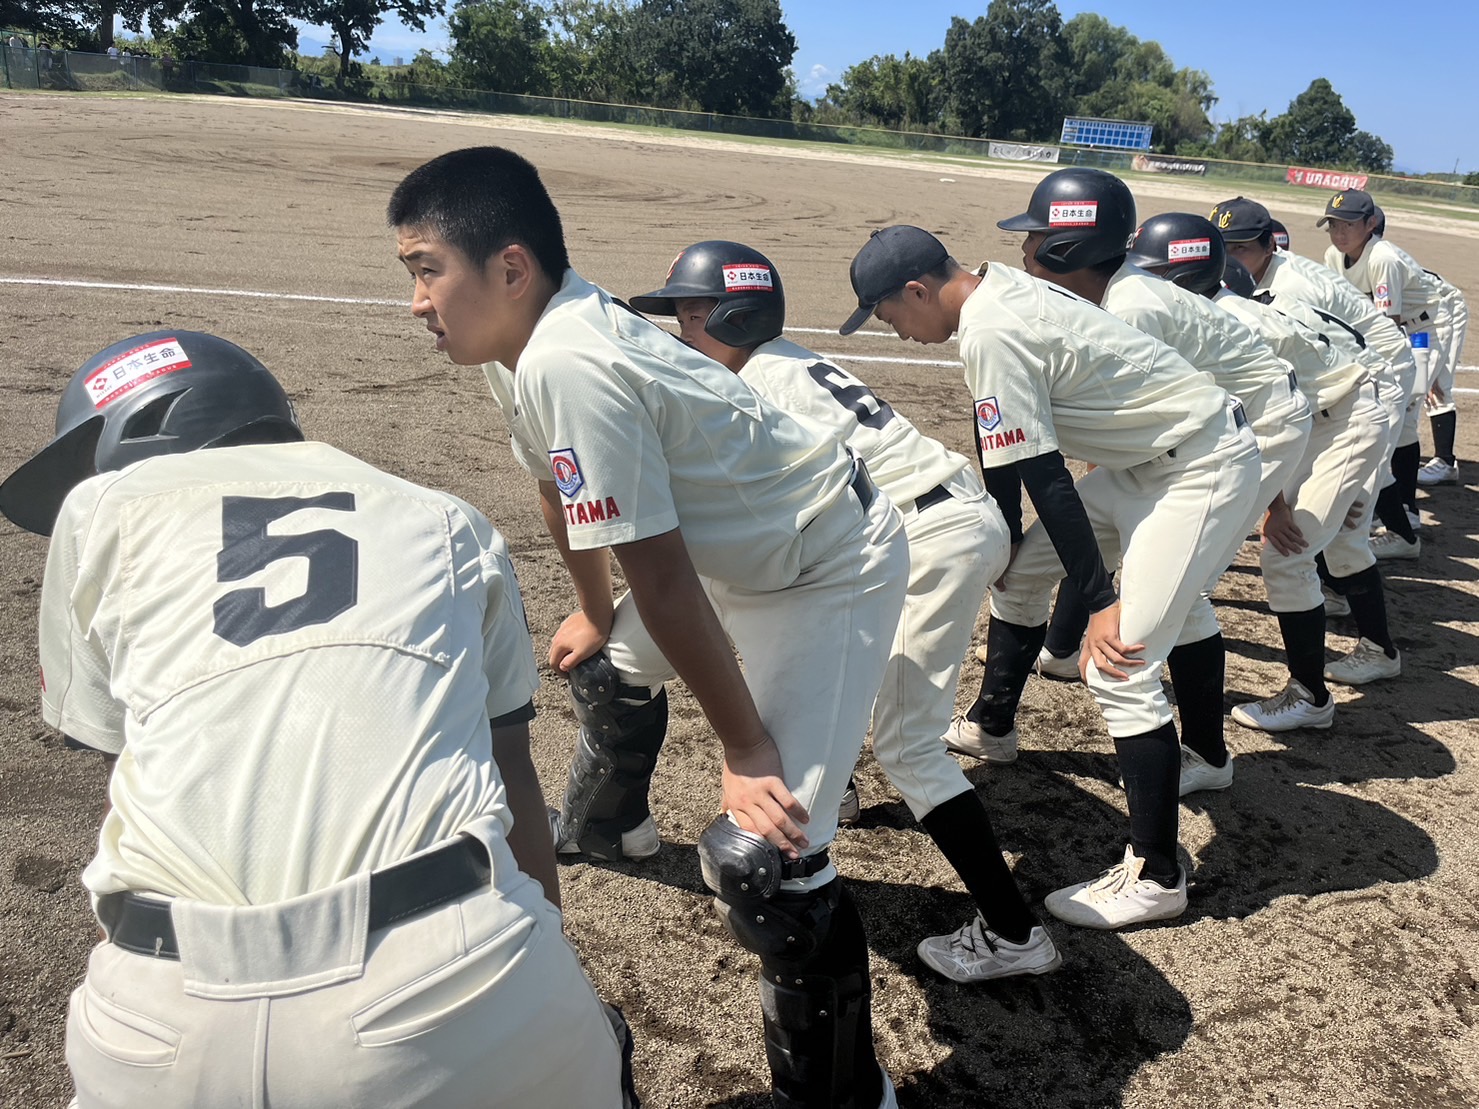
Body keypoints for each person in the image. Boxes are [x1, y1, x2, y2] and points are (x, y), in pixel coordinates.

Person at [389, 147, 909, 1109]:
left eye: (428, 271)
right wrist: (594, 613)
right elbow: (559, 490)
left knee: (767, 860)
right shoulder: (521, 344)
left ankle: (846, 1095)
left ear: (510, 268)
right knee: (604, 667)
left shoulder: (570, 357)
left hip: (825, 562)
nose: (416, 301)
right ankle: (616, 824)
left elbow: (661, 576)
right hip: (738, 554)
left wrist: (745, 745)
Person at [0, 331, 636, 1108]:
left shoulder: (99, 508)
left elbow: (124, 777)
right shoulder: (450, 520)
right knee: (593, 1044)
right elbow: (511, 771)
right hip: (450, 983)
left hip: (159, 1016)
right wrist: (546, 959)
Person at [631, 239, 1059, 983]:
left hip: (930, 534)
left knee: (910, 746)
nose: (682, 333)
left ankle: (1014, 933)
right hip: (941, 515)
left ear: (736, 317)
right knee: (837, 650)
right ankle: (841, 786)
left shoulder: (753, 387)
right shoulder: (780, 361)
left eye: (694, 316)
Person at [842, 224, 1260, 930]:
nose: (896, 330)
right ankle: (993, 726)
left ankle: (1157, 875)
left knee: (1119, 662)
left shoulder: (991, 329)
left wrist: (1098, 598)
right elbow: (1004, 443)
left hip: (1198, 468)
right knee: (1018, 576)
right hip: (1143, 465)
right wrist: (1008, 535)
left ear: (916, 291)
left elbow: (1047, 476)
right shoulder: (994, 287)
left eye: (887, 314)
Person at [992, 169, 1310, 794]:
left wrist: (1275, 501)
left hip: (1255, 426)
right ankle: (1064, 656)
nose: (1024, 249)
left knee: (1183, 594)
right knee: (1150, 568)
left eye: (1036, 237)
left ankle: (1205, 755)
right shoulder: (1116, 290)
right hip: (1216, 428)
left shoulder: (1130, 304)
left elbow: (1147, 412)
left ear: (1071, 246)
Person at [1132, 216, 1389, 731]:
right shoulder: (1217, 308)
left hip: (1341, 418)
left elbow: (1268, 420)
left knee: (1287, 554)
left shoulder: (1225, 322)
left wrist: (1281, 503)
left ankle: (1311, 697)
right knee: (1309, 542)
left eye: (1152, 273)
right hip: (1321, 414)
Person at [1213, 195, 1409, 686]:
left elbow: (1361, 358)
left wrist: (1365, 475)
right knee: (1326, 529)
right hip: (1325, 397)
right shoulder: (1245, 285)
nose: (1229, 257)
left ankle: (1375, 650)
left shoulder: (1290, 285)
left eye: (1239, 247)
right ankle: (1339, 601)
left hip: (1375, 380)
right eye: (1221, 246)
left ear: (1268, 245)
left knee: (1342, 533)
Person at [1318, 187, 1448, 547]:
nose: (1339, 233)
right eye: (1333, 225)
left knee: (1402, 418)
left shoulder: (1383, 258)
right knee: (1399, 425)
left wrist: (1429, 369)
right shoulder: (1333, 255)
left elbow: (1387, 324)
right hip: (1392, 333)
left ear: (1371, 223)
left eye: (1348, 224)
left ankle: (1402, 513)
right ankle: (1398, 510)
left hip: (1422, 332)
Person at [1370, 204, 1468, 488]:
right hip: (1415, 322)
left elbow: (1396, 321)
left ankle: (1445, 462)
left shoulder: (1384, 261)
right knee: (1419, 382)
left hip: (1441, 315)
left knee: (1434, 386)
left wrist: (1431, 364)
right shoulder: (1366, 261)